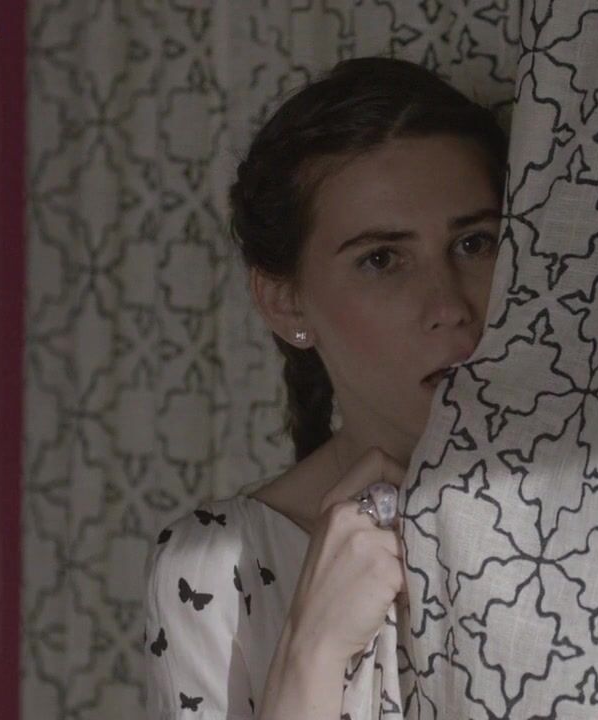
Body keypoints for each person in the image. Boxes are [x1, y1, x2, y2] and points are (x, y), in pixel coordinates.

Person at [142, 56, 506, 719]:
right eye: (382, 259)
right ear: (285, 303)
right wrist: (313, 648)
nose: (449, 306)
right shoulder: (217, 567)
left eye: (474, 244)